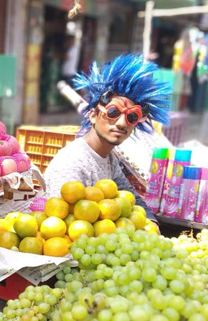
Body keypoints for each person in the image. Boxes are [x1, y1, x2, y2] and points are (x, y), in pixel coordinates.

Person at [44, 54, 171, 224]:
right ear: (93, 116)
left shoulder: (109, 158)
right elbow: (60, 221)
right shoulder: (72, 162)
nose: (121, 123)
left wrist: (152, 223)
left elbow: (133, 198)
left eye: (131, 117)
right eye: (113, 112)